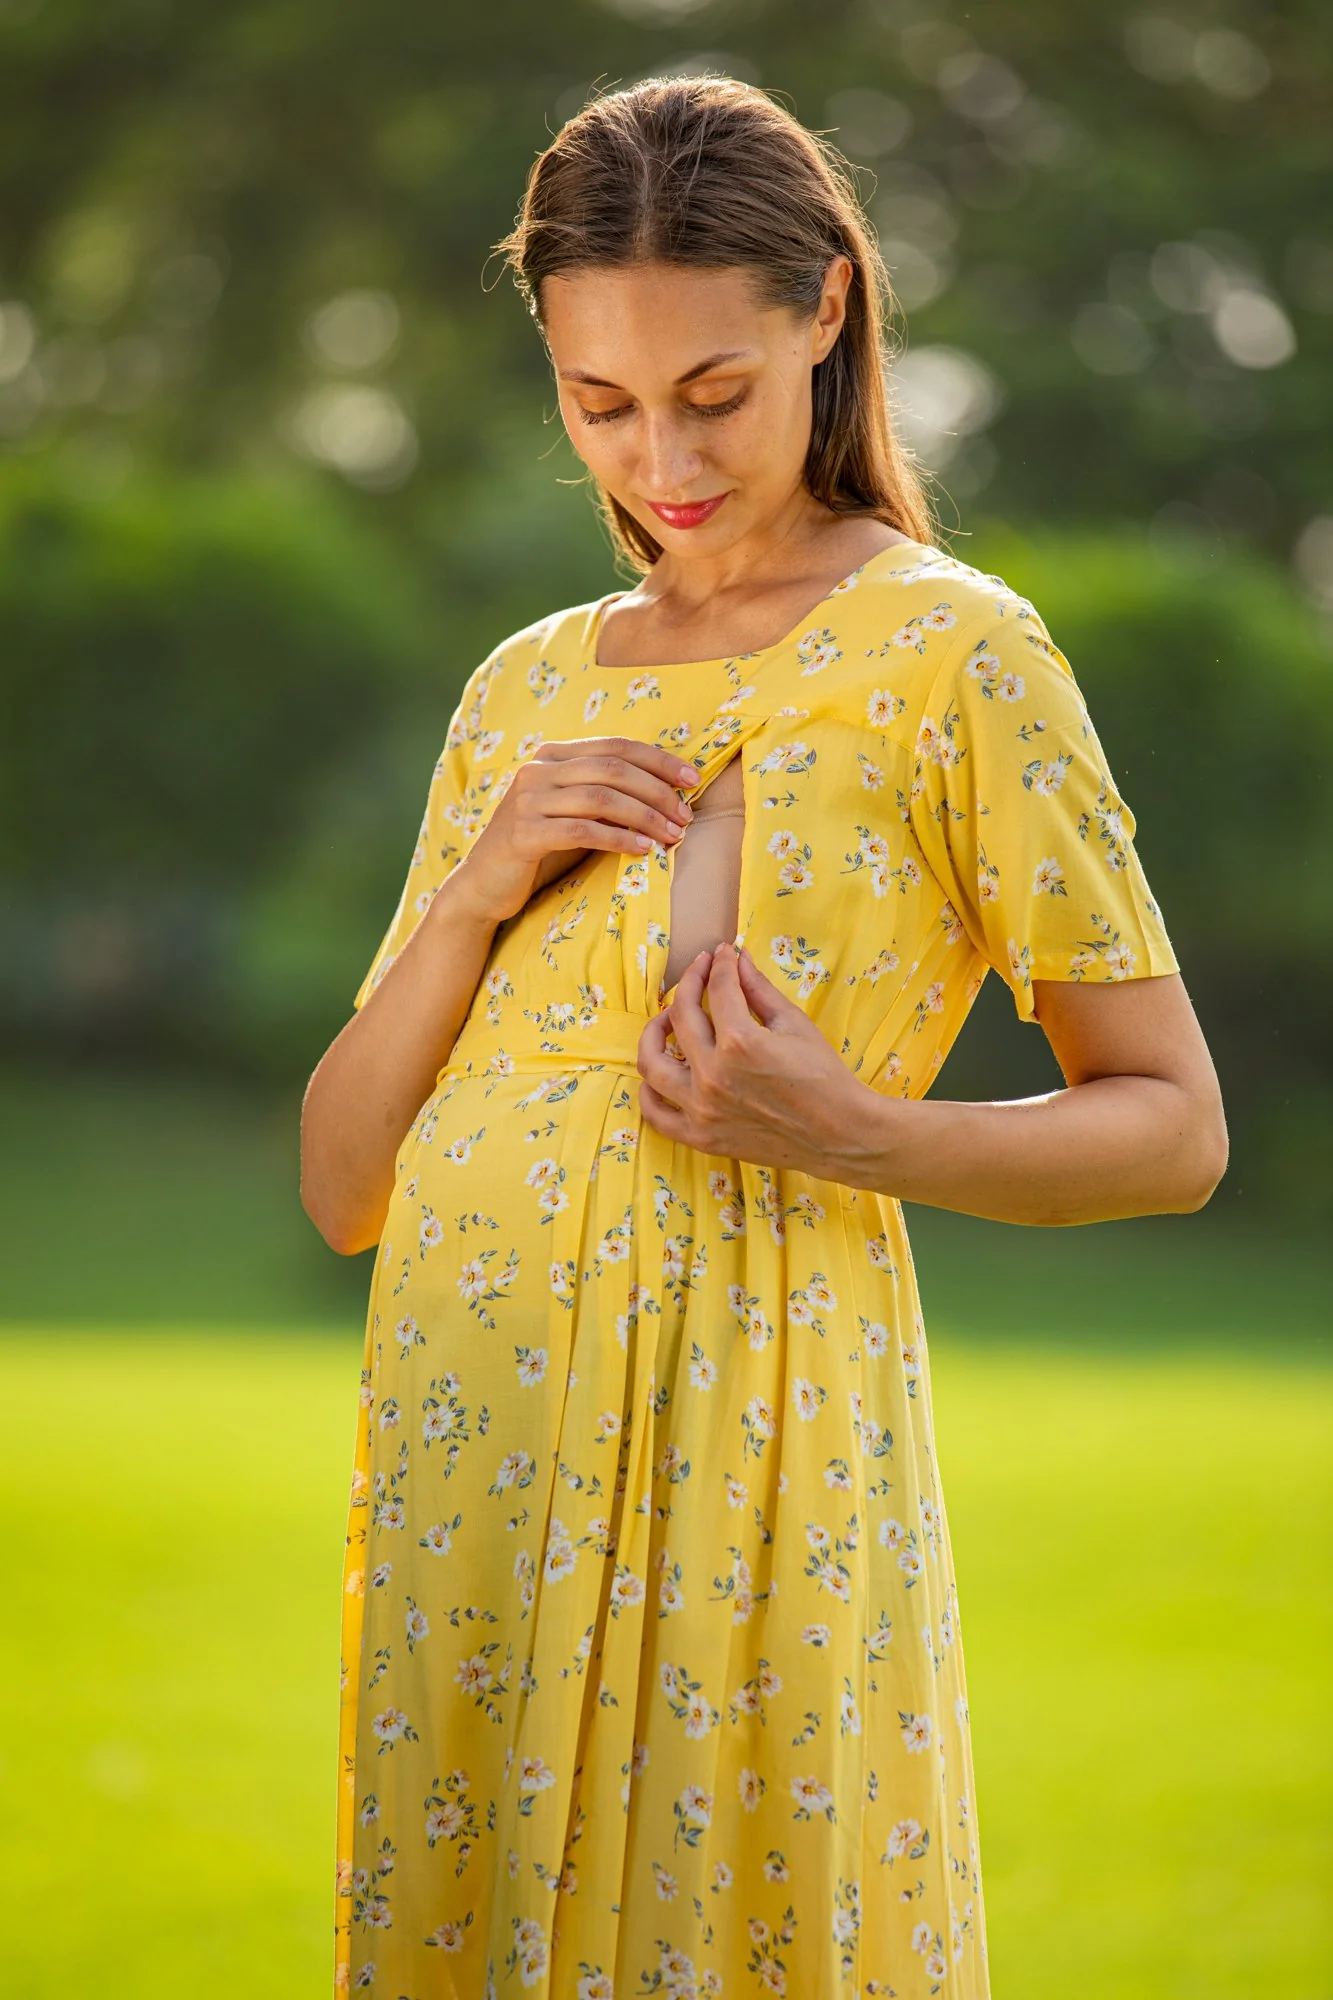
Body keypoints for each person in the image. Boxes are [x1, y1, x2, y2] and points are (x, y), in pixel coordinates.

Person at [301, 74, 1227, 2000]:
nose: (663, 460)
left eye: (711, 392)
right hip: (466, 1443)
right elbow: (338, 1184)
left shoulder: (958, 655)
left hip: (758, 1439)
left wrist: (861, 1129)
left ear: (826, 313)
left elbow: (1172, 1127)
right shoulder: (524, 689)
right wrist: (481, 885)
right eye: (601, 403)